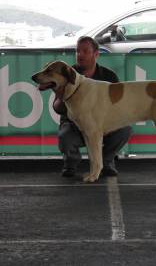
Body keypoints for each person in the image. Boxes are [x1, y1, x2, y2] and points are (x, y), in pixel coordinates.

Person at [53, 36, 132, 177]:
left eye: (84, 51)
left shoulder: (109, 76)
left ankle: (106, 162)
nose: (79, 55)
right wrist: (59, 96)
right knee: (65, 136)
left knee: (125, 129)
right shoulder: (67, 74)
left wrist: (106, 125)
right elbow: (58, 108)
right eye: (77, 51)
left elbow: (118, 106)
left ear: (96, 54)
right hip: (74, 125)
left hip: (104, 124)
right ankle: (70, 164)